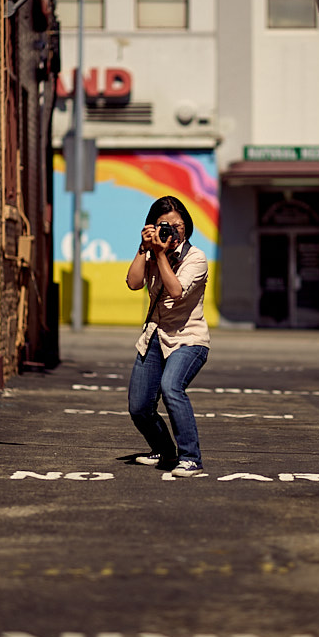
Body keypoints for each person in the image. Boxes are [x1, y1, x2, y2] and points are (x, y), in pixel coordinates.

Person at [126, 195, 210, 477]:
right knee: (139, 407)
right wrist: (143, 248)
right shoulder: (151, 252)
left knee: (172, 387)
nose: (173, 231)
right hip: (155, 336)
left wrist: (160, 254)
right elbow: (133, 283)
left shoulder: (196, 258)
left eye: (178, 225)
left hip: (189, 339)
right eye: (165, 225)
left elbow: (175, 291)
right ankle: (164, 450)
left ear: (187, 226)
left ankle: (190, 458)